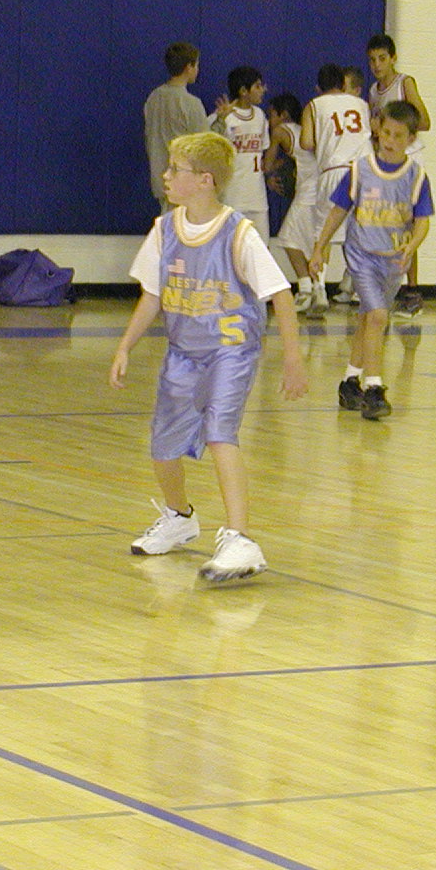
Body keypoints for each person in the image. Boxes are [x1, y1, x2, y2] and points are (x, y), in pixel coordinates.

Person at [109, 131, 308, 582]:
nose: (165, 175)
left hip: (229, 352)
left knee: (221, 435)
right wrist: (124, 346)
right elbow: (152, 295)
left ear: (205, 180)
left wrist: (293, 359)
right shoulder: (164, 230)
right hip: (182, 354)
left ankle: (240, 539)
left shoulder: (239, 233)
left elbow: (280, 294)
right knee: (163, 447)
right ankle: (179, 517)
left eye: (174, 169)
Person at [308, 101, 433, 421]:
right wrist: (320, 246)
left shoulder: (416, 177)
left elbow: (422, 221)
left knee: (368, 319)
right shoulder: (359, 170)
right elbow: (338, 211)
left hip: (393, 261)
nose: (389, 140)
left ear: (411, 139)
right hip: (362, 255)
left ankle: (350, 381)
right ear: (377, 131)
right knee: (378, 316)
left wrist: (413, 245)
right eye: (386, 133)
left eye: (398, 136)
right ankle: (374, 388)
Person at [299, 62, 371, 319]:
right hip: (363, 172)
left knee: (324, 233)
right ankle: (364, 290)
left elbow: (306, 142)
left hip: (333, 170)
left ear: (319, 87)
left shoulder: (314, 105)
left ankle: (319, 289)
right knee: (362, 234)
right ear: (343, 83)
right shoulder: (361, 104)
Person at [366, 34, 430, 317]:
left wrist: (391, 124)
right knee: (388, 222)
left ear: (393, 58)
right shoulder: (373, 91)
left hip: (410, 158)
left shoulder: (404, 83)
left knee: (408, 223)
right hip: (387, 161)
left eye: (382, 58)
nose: (377, 65)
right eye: (372, 60)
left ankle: (413, 292)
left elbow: (424, 121)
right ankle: (389, 287)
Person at [264, 92, 317, 310]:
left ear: (283, 114)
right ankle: (315, 289)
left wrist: (271, 174)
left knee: (287, 238)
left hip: (308, 192)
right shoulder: (304, 129)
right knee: (310, 243)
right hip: (321, 188)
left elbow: (267, 165)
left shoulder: (280, 131)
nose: (269, 120)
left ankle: (306, 290)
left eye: (272, 115)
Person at [143, 42, 208, 208]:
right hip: (184, 183)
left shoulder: (154, 97)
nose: (197, 70)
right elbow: (204, 145)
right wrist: (221, 121)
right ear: (188, 67)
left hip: (161, 179)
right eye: (196, 65)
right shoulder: (191, 103)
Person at [211, 65, 271, 236]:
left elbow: (264, 149)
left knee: (260, 245)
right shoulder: (224, 116)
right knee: (231, 246)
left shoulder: (260, 115)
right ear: (243, 90)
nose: (263, 90)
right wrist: (219, 119)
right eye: (257, 86)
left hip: (257, 198)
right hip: (232, 197)